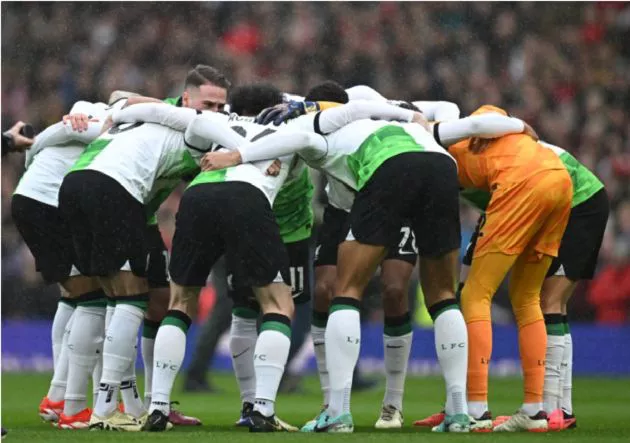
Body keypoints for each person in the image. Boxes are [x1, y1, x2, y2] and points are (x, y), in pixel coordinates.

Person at [202, 89, 469, 433]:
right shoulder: (383, 114)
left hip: (389, 166)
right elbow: (447, 107)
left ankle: (338, 412)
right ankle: (459, 412)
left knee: (347, 291)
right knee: (444, 296)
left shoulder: (318, 125)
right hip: (442, 166)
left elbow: (296, 135)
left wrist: (237, 155)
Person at [428, 105, 573, 432]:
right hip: (559, 180)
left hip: (520, 184)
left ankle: (477, 409)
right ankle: (535, 411)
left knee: (476, 294)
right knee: (527, 298)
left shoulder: (450, 143)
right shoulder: (512, 140)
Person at [11, 102, 112, 429]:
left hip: (39, 202)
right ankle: (70, 405)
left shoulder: (82, 127)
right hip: (46, 205)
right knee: (93, 299)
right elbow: (74, 126)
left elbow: (66, 130)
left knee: (74, 296)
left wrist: (34, 146)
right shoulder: (102, 121)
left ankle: (60, 396)